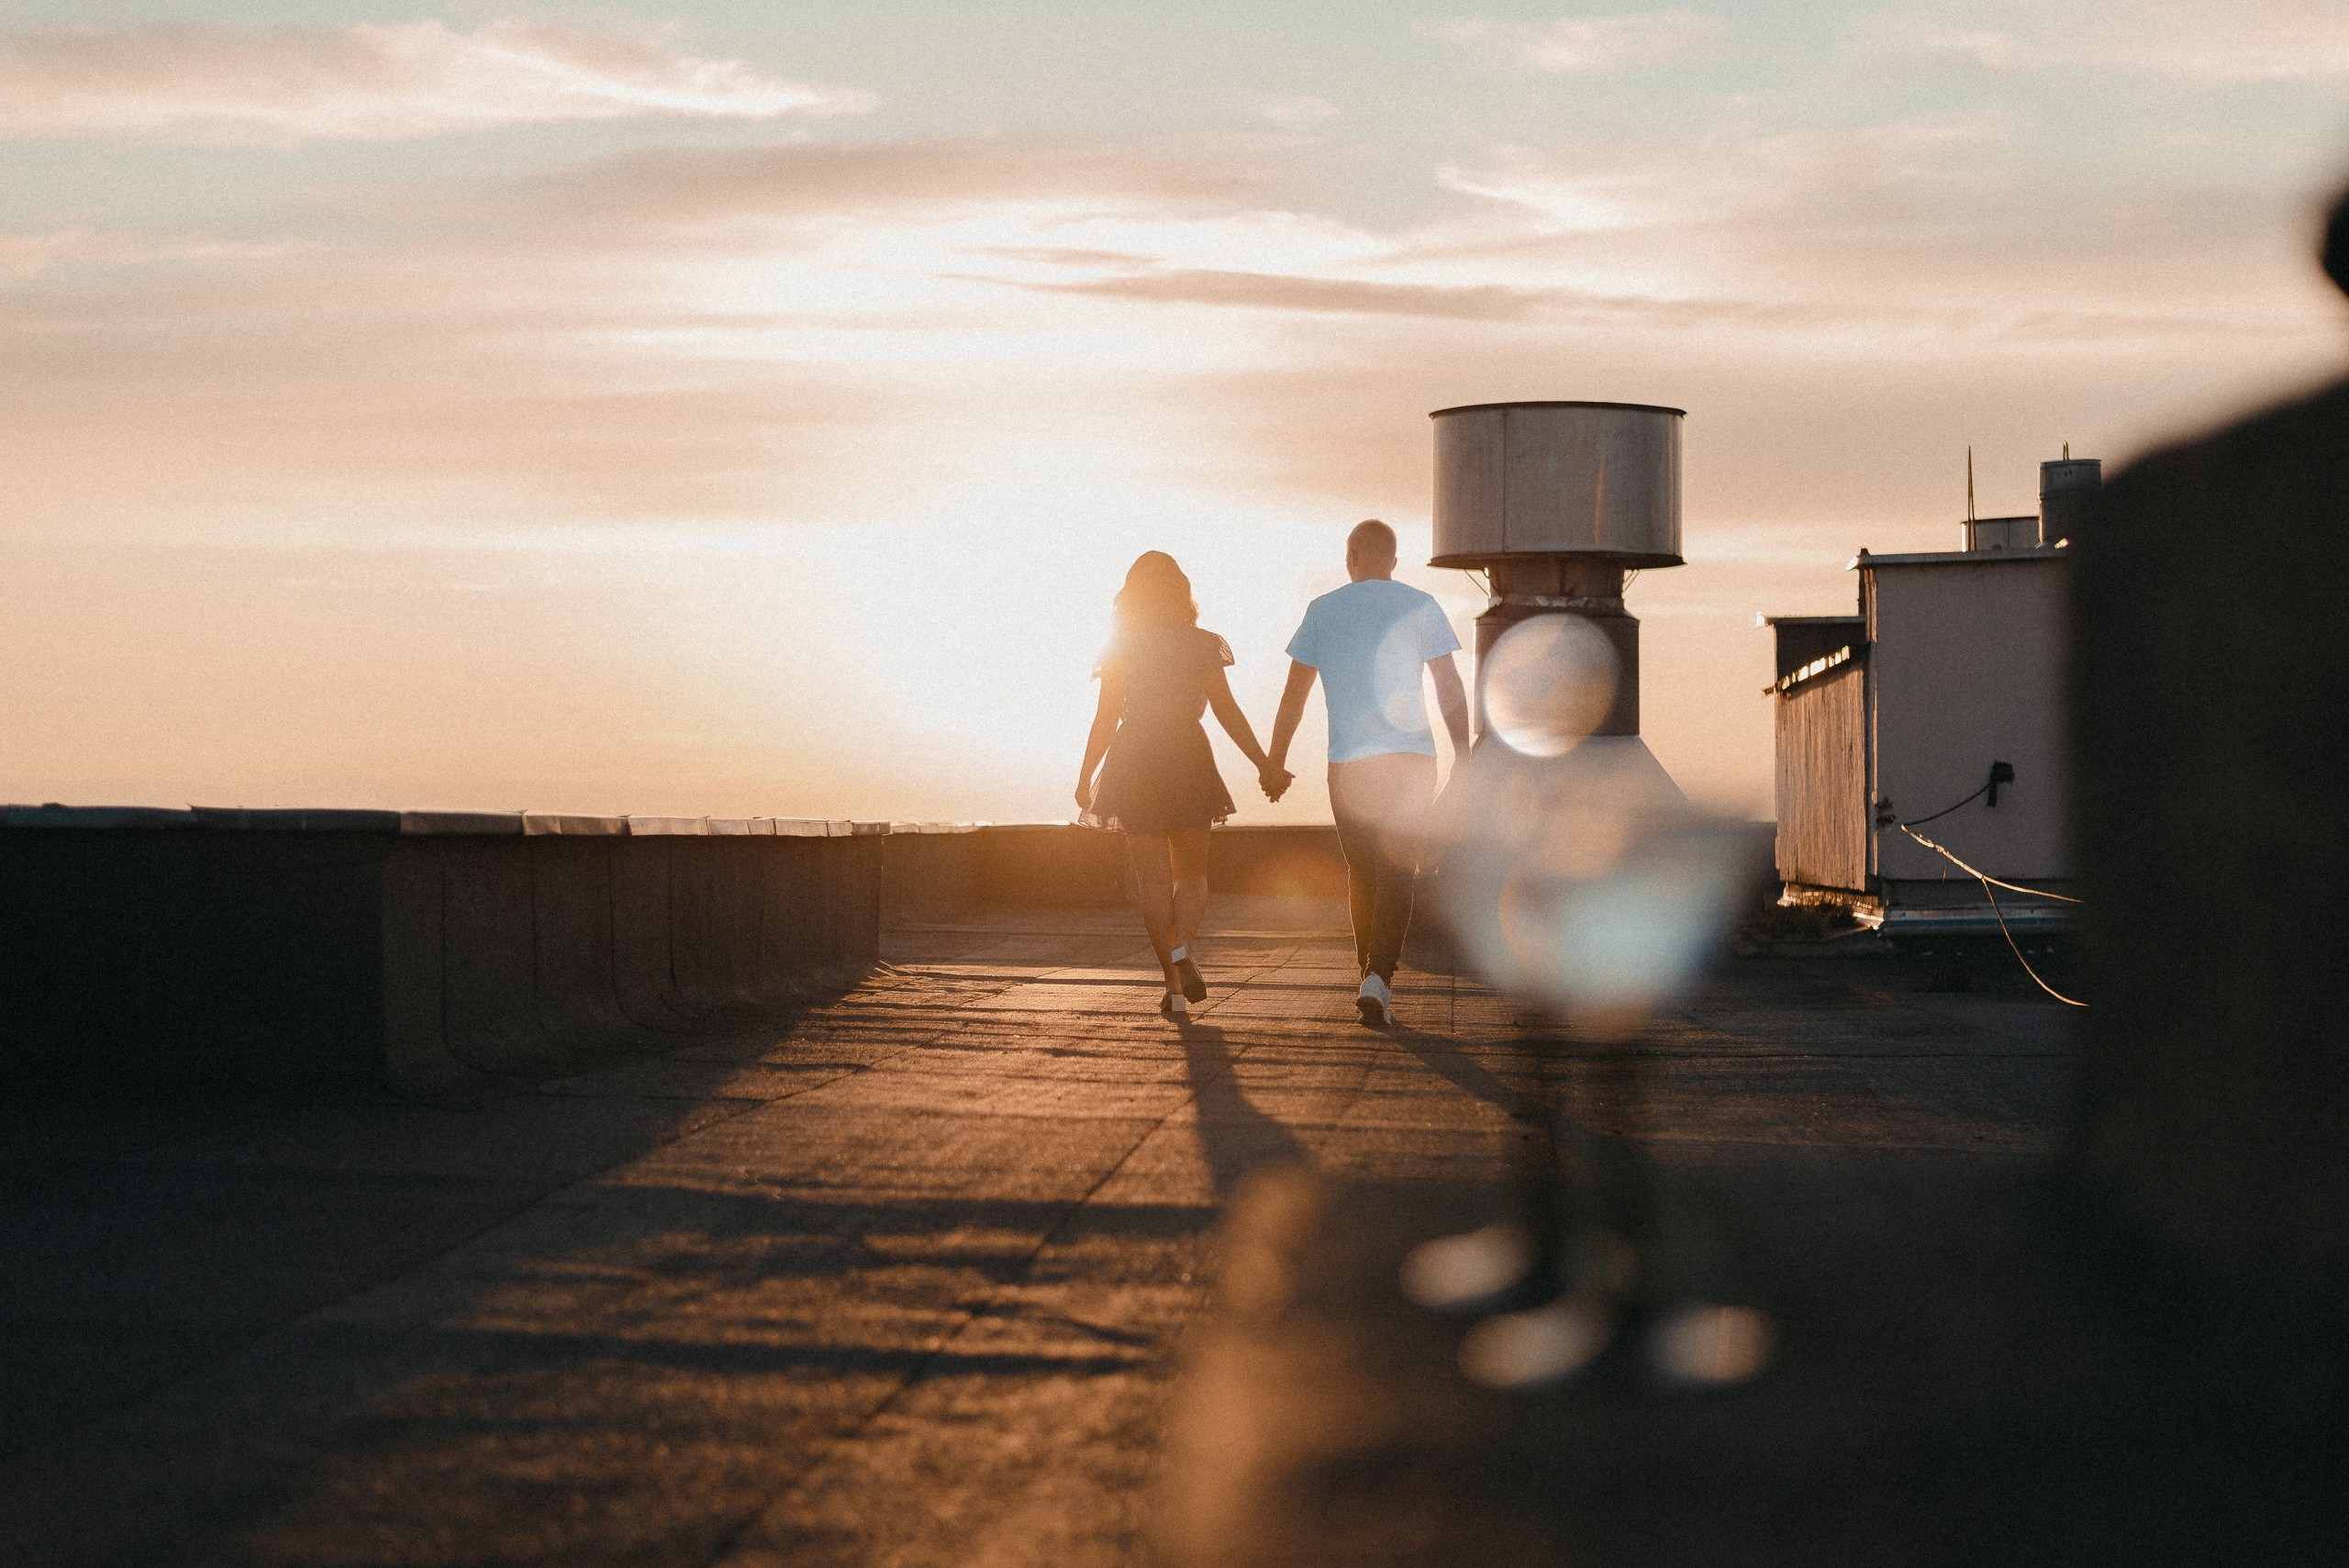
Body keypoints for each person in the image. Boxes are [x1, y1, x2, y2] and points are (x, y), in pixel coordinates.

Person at [1266, 520, 1470, 1027]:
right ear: (1394, 561)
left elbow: (1293, 696)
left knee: (1363, 871)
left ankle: (1371, 975)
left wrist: (1275, 761)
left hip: (1349, 764)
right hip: (1412, 759)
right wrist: (1464, 753)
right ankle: (1376, 977)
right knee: (1397, 868)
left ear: (1351, 556)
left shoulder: (1323, 610)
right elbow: (1448, 683)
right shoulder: (1420, 604)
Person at [1076, 551, 1292, 1018]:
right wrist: (1264, 764)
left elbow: (1106, 717)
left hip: (1134, 760)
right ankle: (1184, 949)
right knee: (1191, 874)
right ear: (1181, 593)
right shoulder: (1202, 644)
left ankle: (1173, 988)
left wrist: (1085, 776)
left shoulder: (1120, 647)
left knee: (1152, 881)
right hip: (1188, 756)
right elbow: (1226, 710)